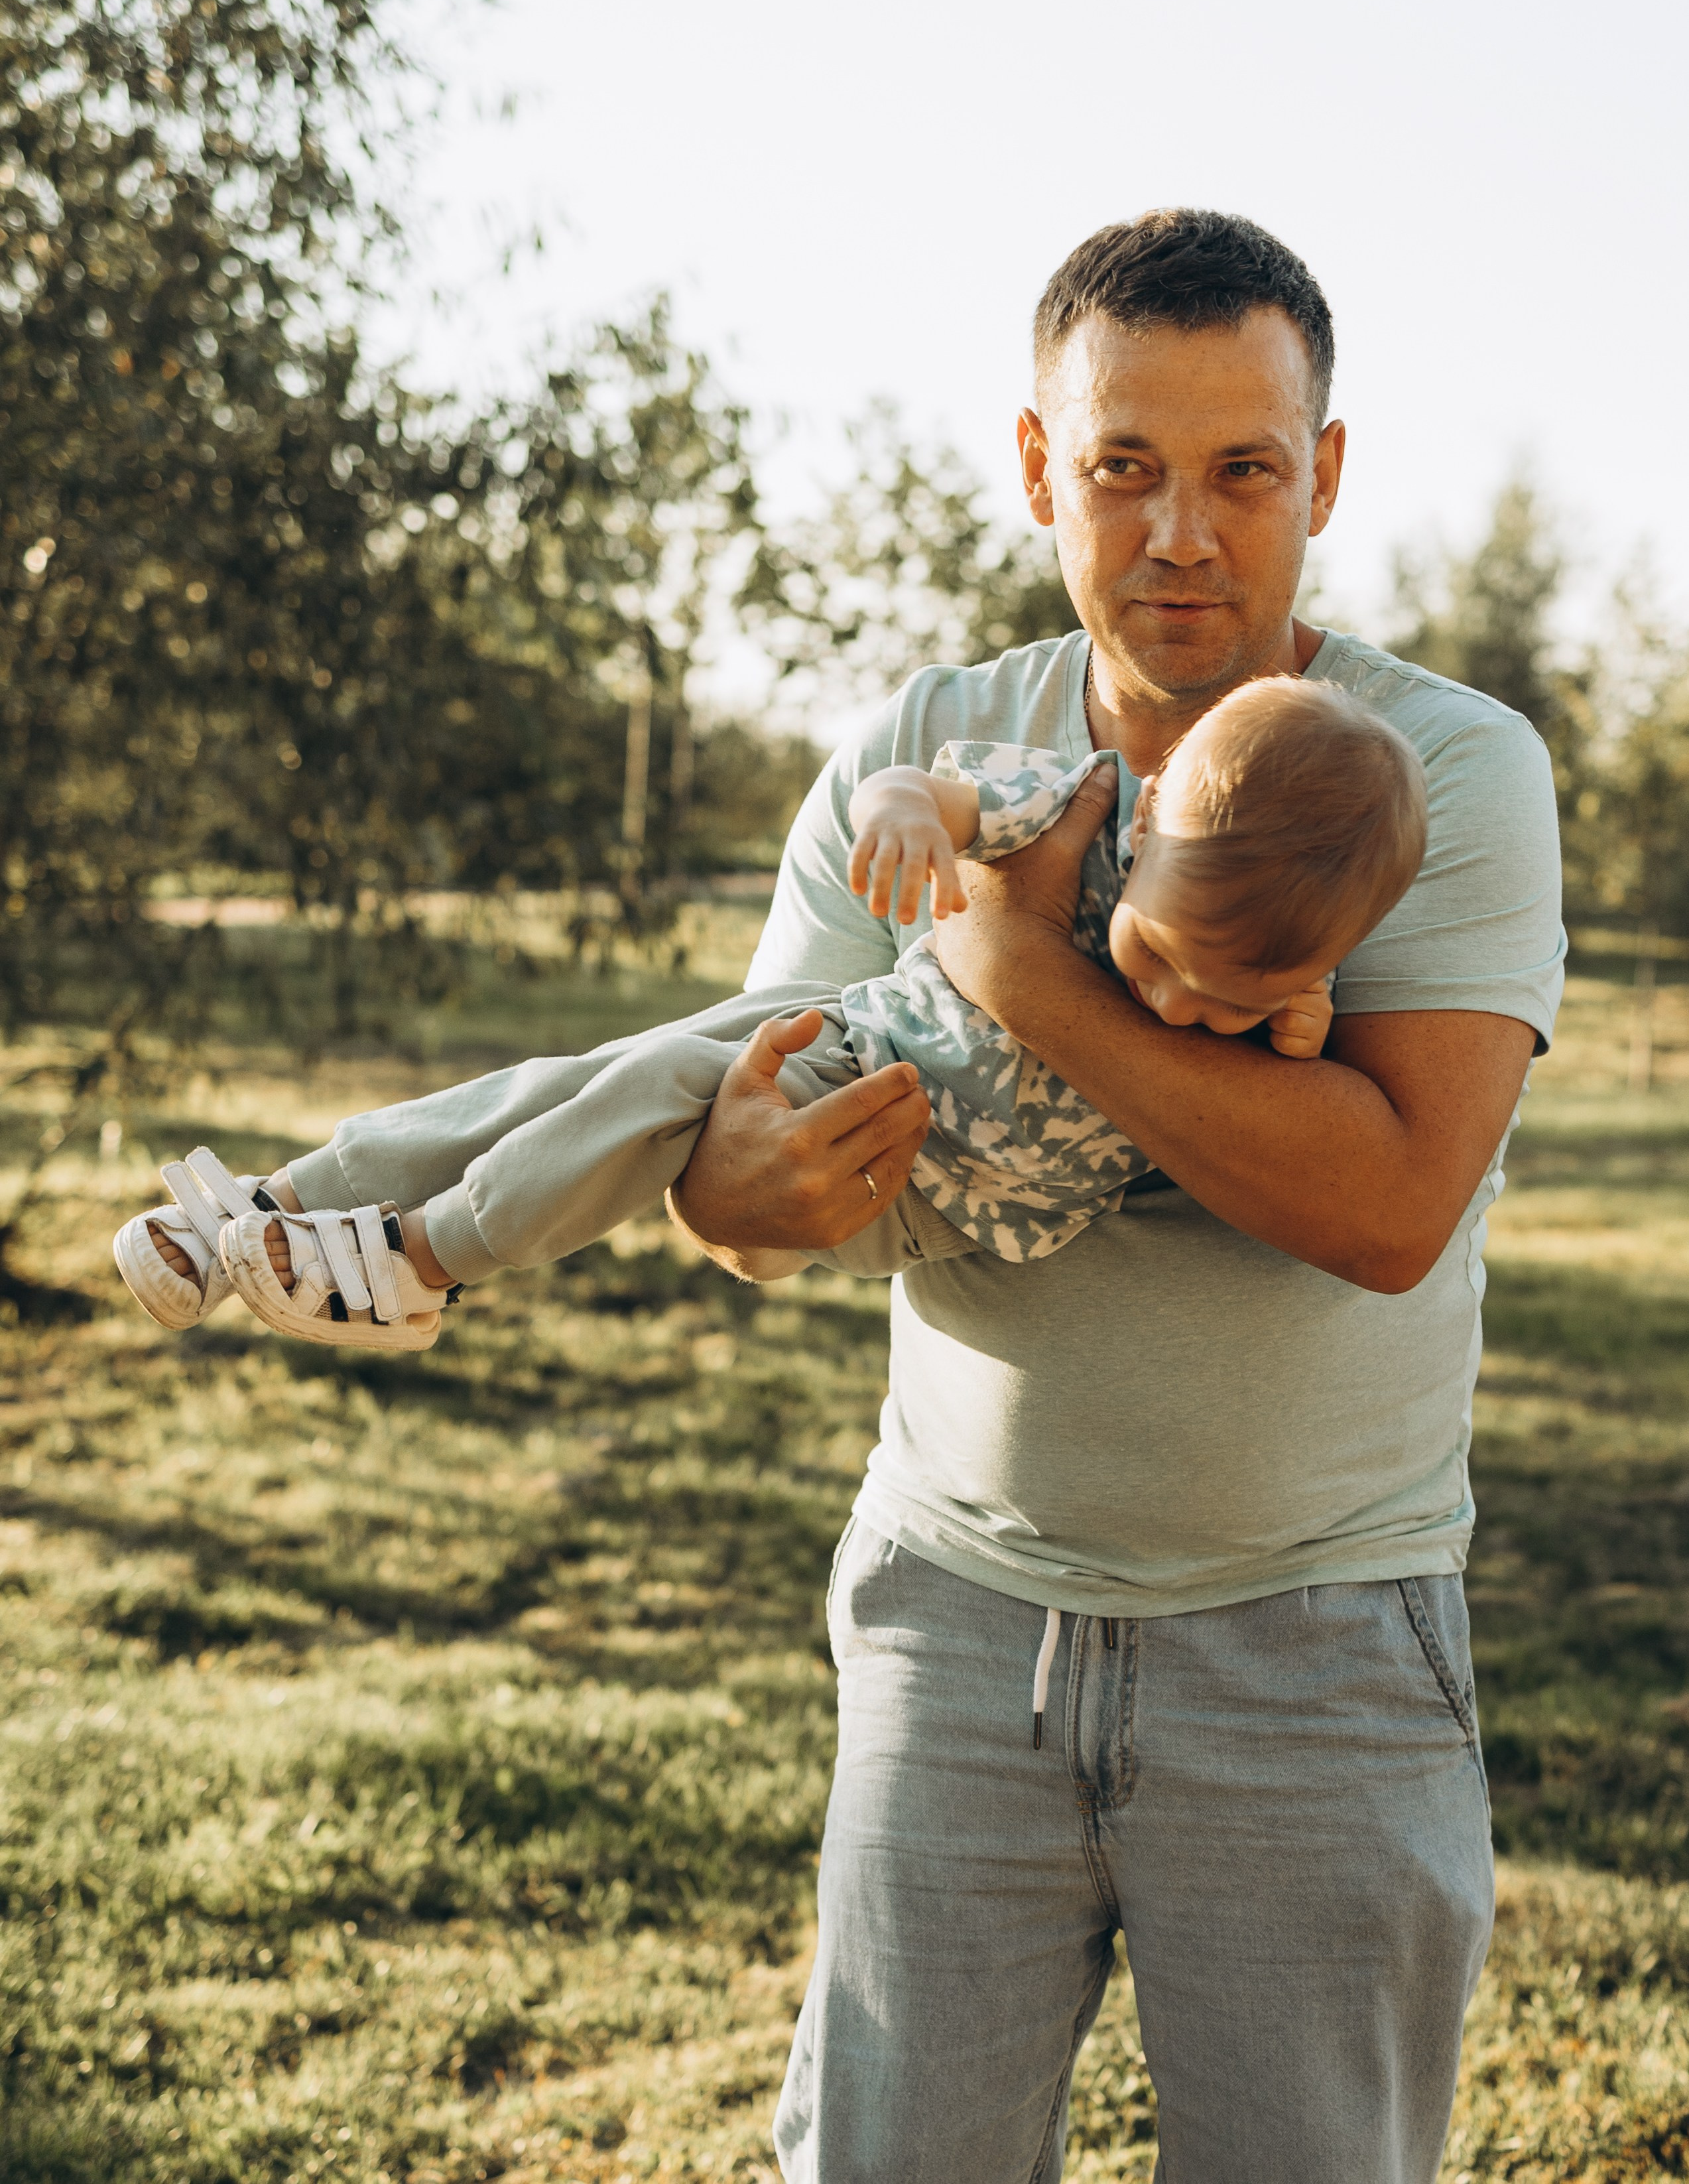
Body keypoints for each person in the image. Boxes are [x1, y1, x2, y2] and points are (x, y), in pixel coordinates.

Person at [657, 210, 1565, 2184]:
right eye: (1121, 466)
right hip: (952, 1622)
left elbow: (1385, 1199)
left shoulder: (1438, 772)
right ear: (1035, 466)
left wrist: (1017, 970)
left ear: (1322, 474)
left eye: (1242, 470)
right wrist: (728, 1188)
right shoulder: (912, 758)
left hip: (1320, 1642)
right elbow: (746, 1167)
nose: (1180, 534)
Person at [114, 673, 1425, 1357]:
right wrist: (904, 810)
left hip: (920, 1176)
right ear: (1148, 830)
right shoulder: (1084, 797)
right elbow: (929, 795)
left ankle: (421, 1262)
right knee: (610, 1065)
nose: (1175, 1003)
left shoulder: (1280, 962)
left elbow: (1291, 1084)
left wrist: (1288, 1020)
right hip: (867, 1035)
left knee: (659, 1083)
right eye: (1160, 953)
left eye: (1225, 1000)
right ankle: (285, 1204)